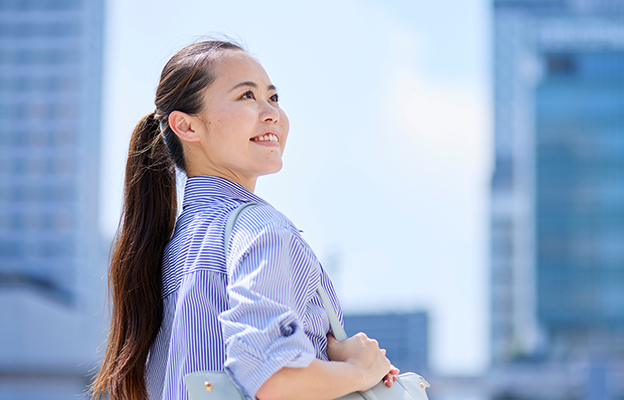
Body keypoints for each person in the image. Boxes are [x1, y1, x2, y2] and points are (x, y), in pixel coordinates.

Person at [90, 40, 399, 400]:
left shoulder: (168, 250)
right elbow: (274, 377)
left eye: (273, 98)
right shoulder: (260, 229)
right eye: (246, 97)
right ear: (187, 127)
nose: (271, 113)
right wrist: (359, 370)